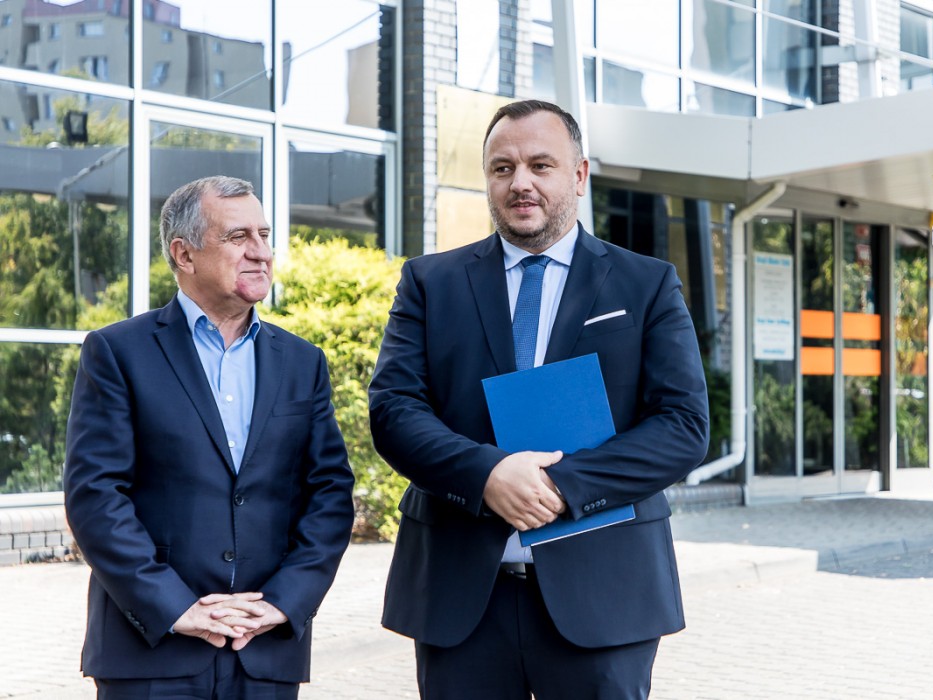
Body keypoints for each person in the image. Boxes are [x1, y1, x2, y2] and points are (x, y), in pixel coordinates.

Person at [369, 99, 710, 699]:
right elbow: (394, 410)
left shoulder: (646, 283)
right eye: (502, 168)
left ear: (578, 175)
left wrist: (561, 485)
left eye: (540, 165)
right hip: (461, 597)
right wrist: (487, 475)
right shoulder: (429, 283)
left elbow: (682, 425)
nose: (519, 182)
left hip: (603, 595)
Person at [64, 175, 355, 699]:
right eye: (238, 236)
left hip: (264, 650)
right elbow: (96, 497)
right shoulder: (117, 352)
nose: (260, 252)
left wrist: (284, 601)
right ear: (184, 254)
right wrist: (174, 606)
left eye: (264, 235)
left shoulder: (302, 362)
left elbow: (330, 492)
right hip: (153, 652)